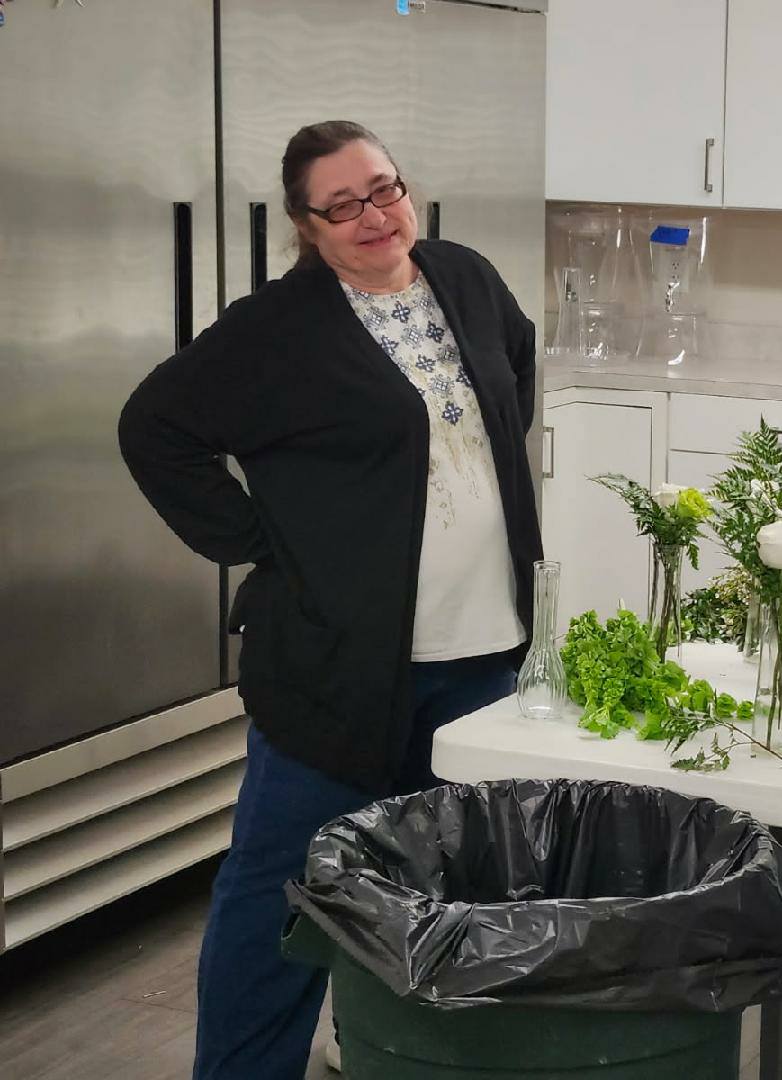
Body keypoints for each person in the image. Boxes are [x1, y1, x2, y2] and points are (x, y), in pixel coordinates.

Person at [118, 120, 541, 1079]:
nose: (373, 217)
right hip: (334, 665)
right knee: (284, 892)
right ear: (306, 225)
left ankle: (393, 1054)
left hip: (483, 655)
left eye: (384, 189)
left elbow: (514, 367)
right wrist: (262, 544)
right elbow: (156, 428)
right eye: (341, 206)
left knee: (438, 889)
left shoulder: (464, 275)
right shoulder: (278, 328)